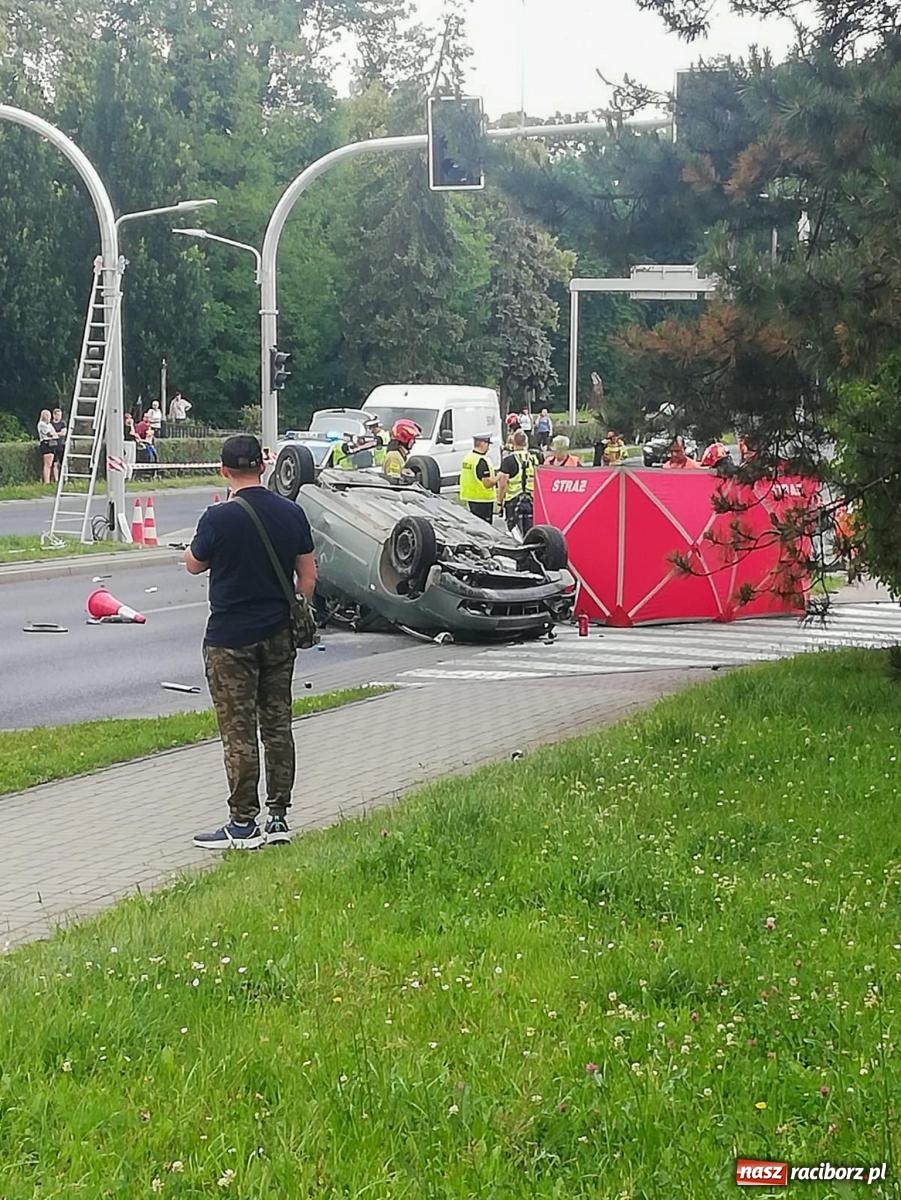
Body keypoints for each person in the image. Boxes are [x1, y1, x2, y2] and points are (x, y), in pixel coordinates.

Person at [186, 434, 318, 850]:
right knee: (278, 727)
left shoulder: (217, 518)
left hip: (229, 640)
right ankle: (279, 818)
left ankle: (242, 823)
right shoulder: (291, 512)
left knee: (238, 732)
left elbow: (193, 564)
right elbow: (308, 578)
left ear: (224, 471)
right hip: (279, 635)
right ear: (263, 467)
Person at [496, 430, 540, 537]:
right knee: (530, 532)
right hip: (532, 500)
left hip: (513, 501)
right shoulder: (535, 459)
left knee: (515, 533)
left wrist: (499, 502)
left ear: (513, 443)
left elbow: (502, 485)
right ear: (526, 442)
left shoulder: (508, 460)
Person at [459, 434, 497, 522]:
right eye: (488, 444)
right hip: (483, 500)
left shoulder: (468, 457)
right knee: (485, 528)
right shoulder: (481, 461)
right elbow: (487, 483)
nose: (488, 448)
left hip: (470, 498)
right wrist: (498, 477)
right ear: (482, 444)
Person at [37, 409, 58, 483]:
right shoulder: (41, 424)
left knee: (53, 463)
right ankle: (46, 481)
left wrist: (55, 434)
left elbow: (55, 434)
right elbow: (50, 434)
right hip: (46, 444)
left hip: (52, 443)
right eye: (47, 415)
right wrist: (54, 434)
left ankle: (54, 480)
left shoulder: (49, 424)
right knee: (47, 464)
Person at [51, 408, 67, 475]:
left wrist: (54, 434)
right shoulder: (50, 423)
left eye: (60, 415)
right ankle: (56, 479)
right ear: (54, 415)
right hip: (53, 445)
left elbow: (63, 433)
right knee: (54, 463)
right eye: (57, 415)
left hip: (61, 444)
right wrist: (58, 433)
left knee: (63, 462)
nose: (59, 416)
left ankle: (65, 477)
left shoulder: (63, 423)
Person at [123, 412, 139, 480]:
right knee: (126, 459)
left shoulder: (132, 426)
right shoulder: (124, 427)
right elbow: (132, 433)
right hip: (126, 443)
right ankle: (124, 476)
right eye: (128, 418)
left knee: (132, 460)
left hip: (132, 443)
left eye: (131, 418)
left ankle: (129, 476)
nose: (130, 420)